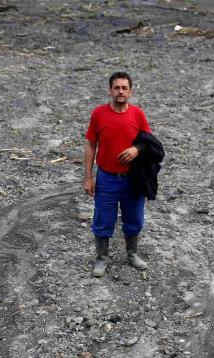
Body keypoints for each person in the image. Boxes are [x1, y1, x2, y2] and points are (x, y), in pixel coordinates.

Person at [83, 71, 156, 277]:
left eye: (124, 88)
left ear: (130, 92)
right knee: (102, 219)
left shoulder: (137, 114)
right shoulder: (99, 114)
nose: (120, 91)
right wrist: (89, 177)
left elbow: (150, 144)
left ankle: (132, 254)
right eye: (117, 88)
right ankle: (101, 258)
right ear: (110, 91)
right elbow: (90, 145)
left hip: (132, 179)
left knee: (134, 218)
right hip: (106, 178)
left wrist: (137, 150)